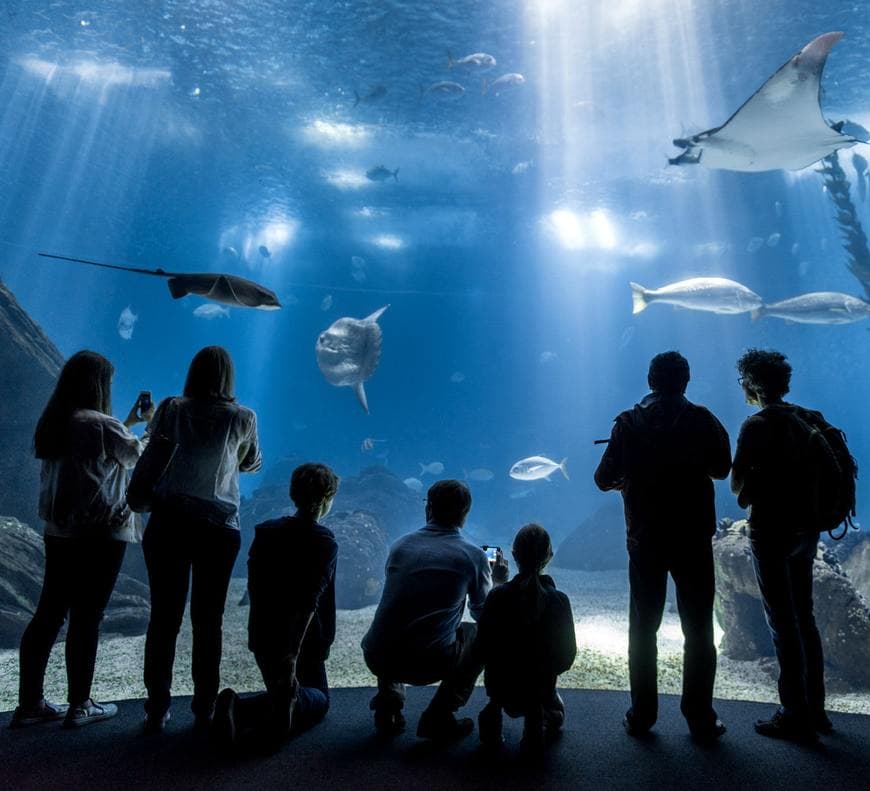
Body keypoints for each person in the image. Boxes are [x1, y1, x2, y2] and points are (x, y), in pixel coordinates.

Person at [594, 351, 731, 741]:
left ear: (650, 379)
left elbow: (603, 477)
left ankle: (643, 714)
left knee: (643, 627)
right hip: (692, 537)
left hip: (645, 538)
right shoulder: (702, 419)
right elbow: (722, 468)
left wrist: (628, 478)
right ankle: (700, 715)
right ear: (686, 381)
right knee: (700, 628)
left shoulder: (628, 422)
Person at [11, 350, 152, 729]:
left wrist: (127, 422)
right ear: (99, 384)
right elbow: (134, 455)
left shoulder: (56, 422)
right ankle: (80, 704)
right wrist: (150, 425)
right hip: (100, 534)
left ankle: (29, 704)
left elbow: (104, 455)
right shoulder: (102, 424)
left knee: (48, 614)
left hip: (60, 533)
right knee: (88, 617)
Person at [141, 346, 261, 734]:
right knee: (208, 620)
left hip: (168, 523)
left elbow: (153, 444)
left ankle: (157, 706)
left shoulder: (170, 408)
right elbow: (248, 461)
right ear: (229, 377)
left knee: (163, 617)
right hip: (218, 527)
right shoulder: (243, 417)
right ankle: (204, 705)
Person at [731, 348, 838, 742]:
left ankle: (793, 712)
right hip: (806, 531)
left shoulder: (755, 425)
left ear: (753, 384)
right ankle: (817, 710)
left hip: (770, 531)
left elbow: (739, 488)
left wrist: (752, 488)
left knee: (782, 624)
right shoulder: (806, 419)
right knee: (805, 618)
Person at [361, 479, 509, 740]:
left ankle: (389, 703)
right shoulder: (473, 556)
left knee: (397, 618)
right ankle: (440, 715)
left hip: (377, 656)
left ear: (428, 508)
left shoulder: (400, 546)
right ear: (465, 513)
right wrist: (498, 584)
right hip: (427, 664)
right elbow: (485, 617)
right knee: (479, 635)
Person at [211, 463, 339, 750]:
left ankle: (240, 708)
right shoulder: (324, 540)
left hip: (263, 635)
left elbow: (255, 586)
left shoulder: (266, 532)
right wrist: (291, 655)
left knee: (285, 694)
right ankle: (245, 711)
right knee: (319, 699)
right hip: (302, 643)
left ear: (293, 494)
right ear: (328, 498)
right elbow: (309, 601)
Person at [476, 523, 577, 754]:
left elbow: (481, 648)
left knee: (499, 693)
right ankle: (535, 721)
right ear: (549, 556)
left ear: (513, 555)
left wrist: (498, 585)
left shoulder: (497, 596)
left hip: (500, 685)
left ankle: (492, 711)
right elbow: (566, 656)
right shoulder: (559, 600)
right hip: (538, 686)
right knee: (556, 716)